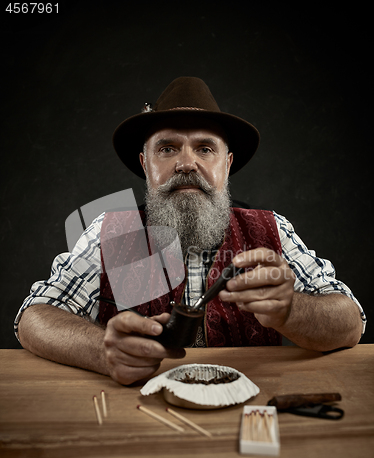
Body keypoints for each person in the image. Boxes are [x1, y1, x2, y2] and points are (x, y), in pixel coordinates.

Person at [15, 77, 365, 386]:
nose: (185, 163)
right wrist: (102, 351)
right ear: (145, 164)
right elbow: (35, 316)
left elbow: (351, 323)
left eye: (205, 148)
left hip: (244, 413)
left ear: (226, 165)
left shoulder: (271, 230)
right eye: (167, 149)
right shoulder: (110, 232)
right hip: (136, 416)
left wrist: (292, 311)